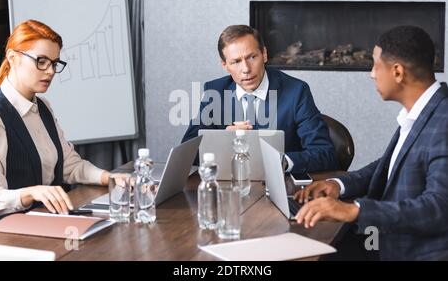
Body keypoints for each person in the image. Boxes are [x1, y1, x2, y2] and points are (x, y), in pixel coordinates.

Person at [295, 25, 448, 260]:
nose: (372, 74)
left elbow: (439, 208)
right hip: (387, 238)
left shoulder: (444, 121)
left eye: (376, 64)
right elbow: (389, 165)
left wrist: (354, 210)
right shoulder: (425, 112)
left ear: (397, 72)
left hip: (412, 252)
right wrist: (338, 185)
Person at [182, 25, 337, 175]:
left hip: (280, 185)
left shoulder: (297, 91)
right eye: (236, 62)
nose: (246, 69)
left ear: (264, 54)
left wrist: (282, 161)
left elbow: (323, 152)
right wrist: (223, 139)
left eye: (252, 57)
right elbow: (187, 153)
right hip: (230, 186)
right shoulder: (214, 91)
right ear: (225, 65)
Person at [0, 19, 113, 216]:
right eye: (41, 61)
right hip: (11, 234)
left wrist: (111, 178)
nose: (50, 71)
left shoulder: (43, 107)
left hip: (46, 221)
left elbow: (70, 165)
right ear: (12, 57)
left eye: (54, 63)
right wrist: (32, 192)